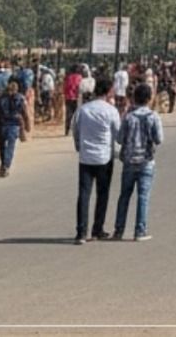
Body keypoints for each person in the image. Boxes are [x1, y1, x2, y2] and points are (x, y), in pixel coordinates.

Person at [72, 76, 121, 244]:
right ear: (109, 91)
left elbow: (75, 129)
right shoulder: (110, 110)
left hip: (86, 157)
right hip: (104, 157)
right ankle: (97, 228)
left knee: (84, 194)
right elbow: (118, 134)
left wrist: (79, 146)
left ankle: (81, 232)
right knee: (102, 193)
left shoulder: (83, 109)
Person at [114, 83, 164, 241]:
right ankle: (139, 230)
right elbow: (159, 139)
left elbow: (119, 139)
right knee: (143, 197)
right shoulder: (153, 117)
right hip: (146, 161)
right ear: (149, 98)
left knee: (124, 196)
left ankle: (119, 230)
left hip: (129, 161)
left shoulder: (128, 117)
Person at [0, 80, 31, 178]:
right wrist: (28, 126)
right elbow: (25, 113)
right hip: (14, 126)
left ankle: (3, 164)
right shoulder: (20, 98)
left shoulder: (0, 99)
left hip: (1, 125)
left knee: (2, 147)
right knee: (10, 147)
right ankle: (6, 166)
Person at [64, 65, 83, 135]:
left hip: (68, 97)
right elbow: (79, 87)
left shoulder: (68, 77)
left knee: (68, 114)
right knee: (77, 114)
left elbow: (65, 87)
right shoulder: (79, 77)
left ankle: (67, 130)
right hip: (76, 98)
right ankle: (76, 130)